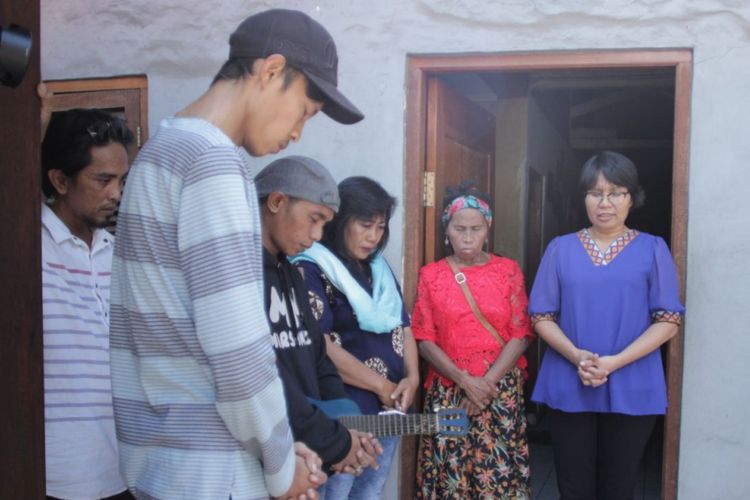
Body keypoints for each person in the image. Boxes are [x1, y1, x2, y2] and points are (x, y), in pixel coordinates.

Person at [109, 8, 364, 500]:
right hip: (213, 472)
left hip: (160, 463)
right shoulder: (215, 164)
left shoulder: (157, 154)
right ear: (270, 71)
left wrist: (284, 448)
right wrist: (281, 464)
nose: (297, 133)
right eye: (305, 112)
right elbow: (238, 352)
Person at [529, 151, 685, 500]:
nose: (605, 202)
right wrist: (576, 356)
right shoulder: (560, 249)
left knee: (619, 487)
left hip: (632, 384)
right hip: (570, 382)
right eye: (595, 193)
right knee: (573, 487)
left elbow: (668, 320)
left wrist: (614, 362)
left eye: (615, 192)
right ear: (583, 197)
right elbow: (541, 316)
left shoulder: (652, 249)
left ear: (632, 197)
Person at [292, 177, 419, 499]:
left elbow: (403, 326)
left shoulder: (378, 267)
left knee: (370, 492)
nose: (374, 237)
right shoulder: (312, 268)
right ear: (340, 221)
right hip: (344, 412)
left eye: (380, 227)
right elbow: (319, 345)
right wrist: (381, 386)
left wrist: (412, 378)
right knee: (337, 491)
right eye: (365, 225)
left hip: (389, 409)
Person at [255, 156, 382, 478]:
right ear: (277, 201)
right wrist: (333, 440)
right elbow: (260, 380)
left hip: (305, 452)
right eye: (314, 218)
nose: (316, 234)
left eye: (324, 224)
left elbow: (318, 356)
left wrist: (341, 418)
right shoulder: (240, 275)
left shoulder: (292, 274)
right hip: (262, 454)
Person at [411, 182, 533, 498]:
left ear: (487, 228)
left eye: (475, 228)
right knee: (451, 475)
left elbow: (521, 333)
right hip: (449, 389)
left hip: (499, 389)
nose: (467, 236)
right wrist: (465, 381)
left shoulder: (508, 271)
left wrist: (484, 384)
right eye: (459, 228)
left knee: (497, 477)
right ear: (446, 230)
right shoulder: (431, 274)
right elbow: (424, 338)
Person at [41, 109, 133, 499]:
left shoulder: (119, 255)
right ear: (61, 180)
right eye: (103, 179)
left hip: (123, 472)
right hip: (55, 477)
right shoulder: (26, 248)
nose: (116, 193)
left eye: (121, 180)